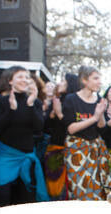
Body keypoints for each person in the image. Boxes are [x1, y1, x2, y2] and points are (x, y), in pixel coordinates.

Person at [0, 66, 49, 208]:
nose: (24, 80)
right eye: (20, 76)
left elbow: (38, 129)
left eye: (26, 77)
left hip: (26, 157)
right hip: (5, 156)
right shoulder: (1, 101)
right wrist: (11, 110)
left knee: (25, 200)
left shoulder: (35, 102)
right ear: (10, 81)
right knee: (2, 196)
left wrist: (30, 105)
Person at [63, 66, 111, 201]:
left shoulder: (98, 99)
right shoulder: (71, 99)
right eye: (95, 78)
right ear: (84, 80)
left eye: (100, 78)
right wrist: (94, 117)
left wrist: (101, 113)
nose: (99, 82)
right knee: (80, 189)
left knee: (99, 190)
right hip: (77, 151)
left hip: (96, 150)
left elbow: (101, 126)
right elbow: (71, 129)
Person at [43, 73, 79, 201]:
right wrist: (52, 114)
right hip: (54, 147)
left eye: (64, 80)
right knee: (53, 185)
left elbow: (71, 128)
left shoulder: (73, 101)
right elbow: (46, 127)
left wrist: (59, 114)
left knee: (66, 187)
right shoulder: (57, 99)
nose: (60, 83)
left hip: (69, 149)